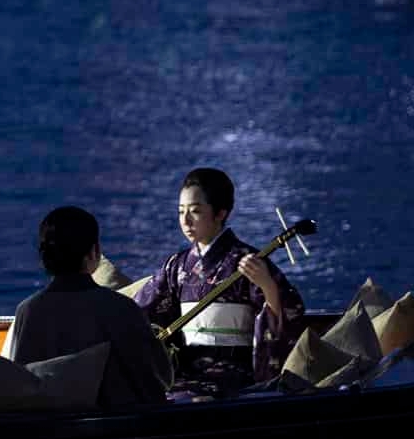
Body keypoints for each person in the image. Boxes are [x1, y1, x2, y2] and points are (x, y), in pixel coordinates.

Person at [130, 168, 305, 395]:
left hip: (233, 371)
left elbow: (290, 313)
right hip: (184, 367)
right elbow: (142, 312)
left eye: (195, 211)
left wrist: (267, 286)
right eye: (181, 211)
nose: (185, 220)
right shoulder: (176, 266)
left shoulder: (247, 261)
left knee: (188, 398)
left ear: (220, 213)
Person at [4, 205, 172, 406]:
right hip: (119, 431)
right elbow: (160, 379)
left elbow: (19, 384)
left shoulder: (28, 311)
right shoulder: (122, 308)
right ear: (94, 252)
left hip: (49, 432)